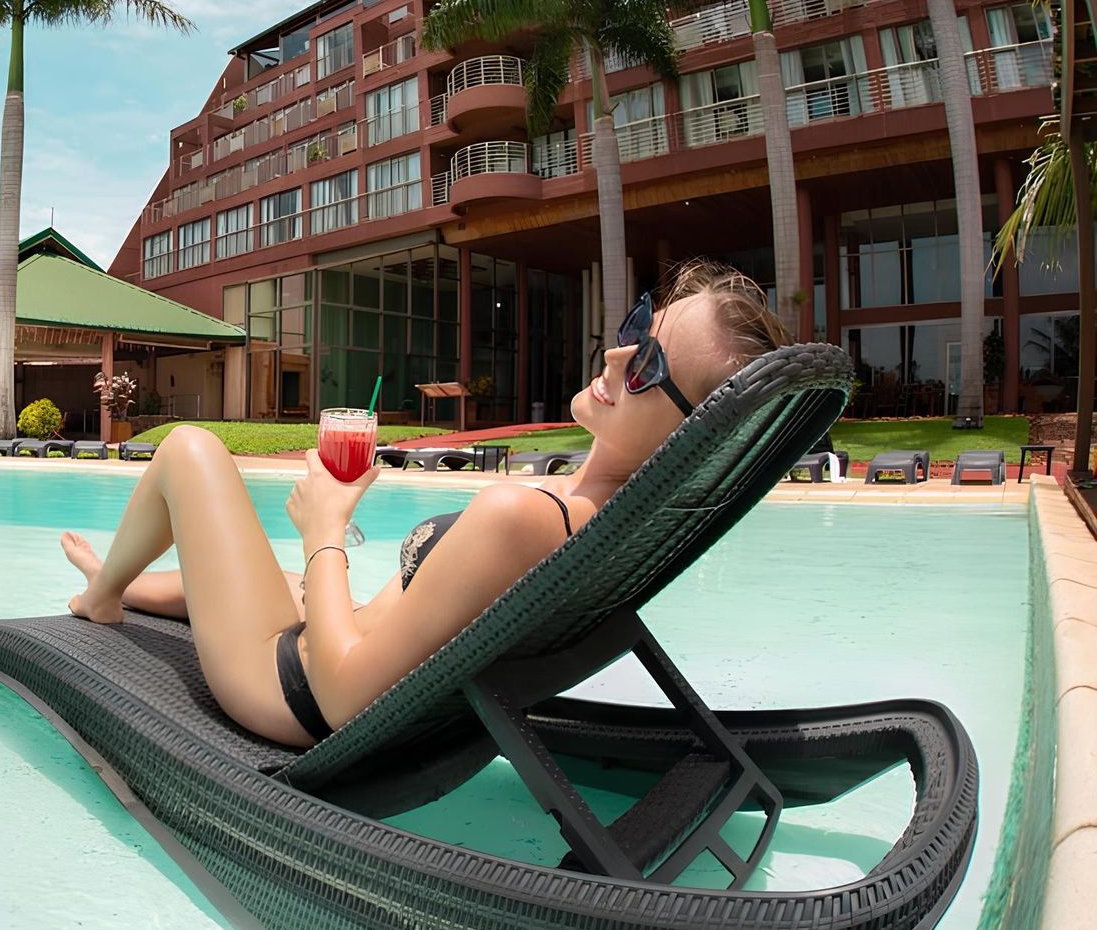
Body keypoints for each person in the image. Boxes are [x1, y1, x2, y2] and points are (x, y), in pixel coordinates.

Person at [59, 261, 790, 748]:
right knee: (258, 579)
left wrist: (327, 528)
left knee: (190, 449)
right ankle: (110, 584)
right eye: (638, 327)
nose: (615, 358)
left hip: (294, 692)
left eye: (650, 366)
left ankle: (103, 591)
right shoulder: (588, 520)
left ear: (693, 436)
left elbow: (345, 697)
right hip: (328, 641)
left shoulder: (524, 518)